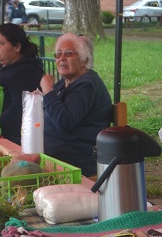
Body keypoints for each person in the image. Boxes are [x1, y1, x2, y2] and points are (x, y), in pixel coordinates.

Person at [39, 33, 112, 177]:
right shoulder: (66, 82)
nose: (62, 59)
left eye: (69, 54)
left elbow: (65, 122)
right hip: (55, 153)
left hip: (75, 160)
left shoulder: (86, 85)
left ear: (84, 60)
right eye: (58, 54)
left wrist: (48, 91)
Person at [0, 23, 44, 144]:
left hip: (8, 136)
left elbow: (18, 110)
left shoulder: (27, 72)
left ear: (17, 46)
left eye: (1, 44)